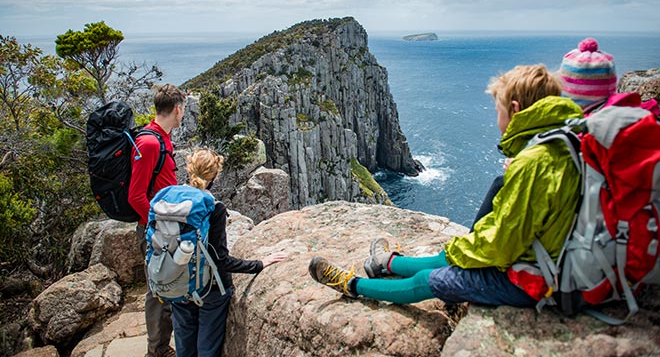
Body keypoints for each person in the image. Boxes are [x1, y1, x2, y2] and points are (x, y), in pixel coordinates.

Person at [309, 64, 583, 307]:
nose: (497, 120)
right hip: (554, 262)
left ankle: (352, 285)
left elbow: (502, 247)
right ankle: (387, 263)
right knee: (450, 257)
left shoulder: (535, 164)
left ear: (515, 110)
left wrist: (459, 250)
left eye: (498, 111)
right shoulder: (566, 142)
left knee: (430, 280)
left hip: (535, 279)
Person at [172, 148, 287, 357]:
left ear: (189, 170)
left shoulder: (172, 198)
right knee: (206, 349)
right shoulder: (213, 208)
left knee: (184, 348)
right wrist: (259, 264)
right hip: (209, 291)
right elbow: (220, 260)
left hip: (177, 284)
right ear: (215, 176)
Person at [128, 83, 186, 357]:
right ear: (177, 109)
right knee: (158, 290)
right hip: (155, 230)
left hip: (165, 227)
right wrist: (155, 224)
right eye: (183, 109)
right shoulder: (149, 143)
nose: (183, 113)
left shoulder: (162, 138)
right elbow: (135, 195)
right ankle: (158, 351)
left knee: (167, 286)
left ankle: (163, 346)